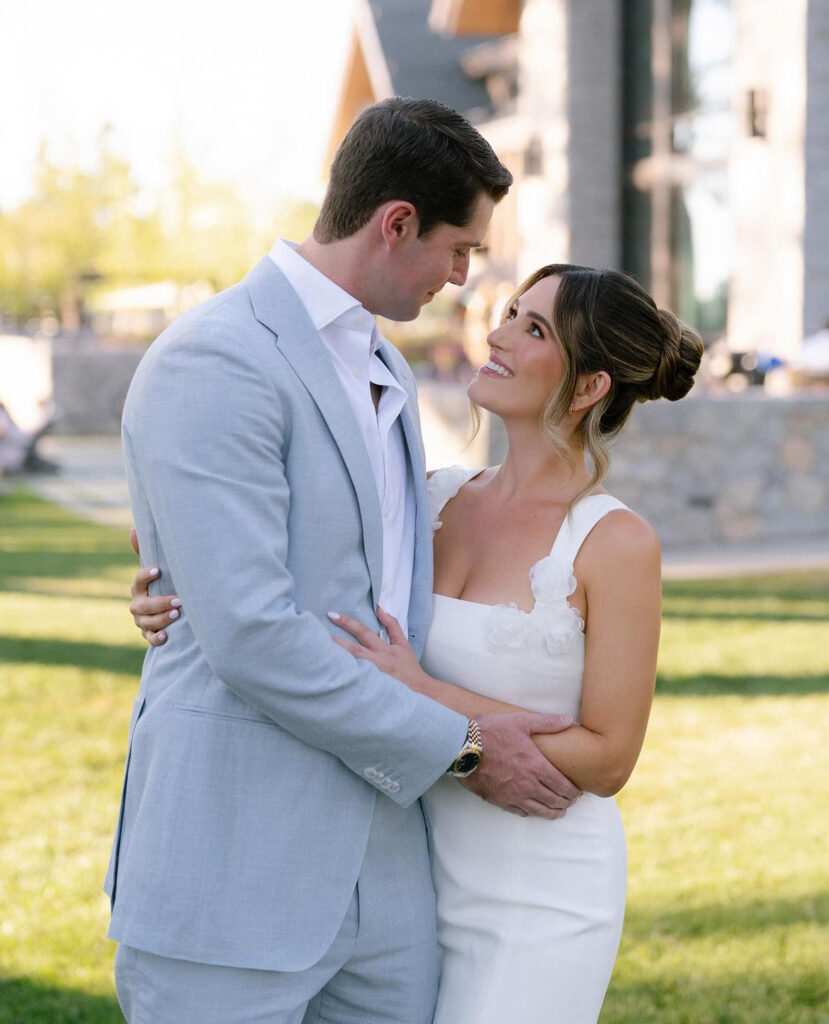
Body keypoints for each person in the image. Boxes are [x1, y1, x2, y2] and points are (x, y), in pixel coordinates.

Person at [107, 96, 581, 1024]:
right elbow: (249, 634)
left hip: (387, 887)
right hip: (234, 865)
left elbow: (371, 569)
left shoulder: (387, 369)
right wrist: (466, 747)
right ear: (395, 222)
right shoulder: (214, 360)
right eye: (460, 248)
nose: (460, 276)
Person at [132, 263, 703, 1022]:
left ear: (589, 385)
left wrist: (424, 692)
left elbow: (607, 757)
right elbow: (287, 596)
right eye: (508, 313)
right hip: (412, 875)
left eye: (532, 329)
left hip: (539, 887)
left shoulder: (615, 541)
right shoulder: (429, 495)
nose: (495, 334)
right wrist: (172, 593)